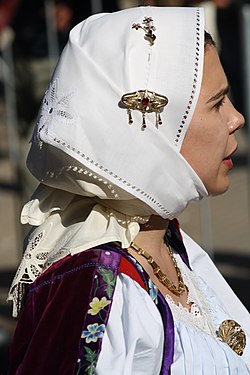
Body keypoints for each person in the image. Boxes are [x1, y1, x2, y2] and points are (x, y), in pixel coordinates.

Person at [7, 6, 250, 374]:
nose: (236, 118)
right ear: (153, 131)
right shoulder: (98, 289)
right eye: (217, 103)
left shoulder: (165, 241)